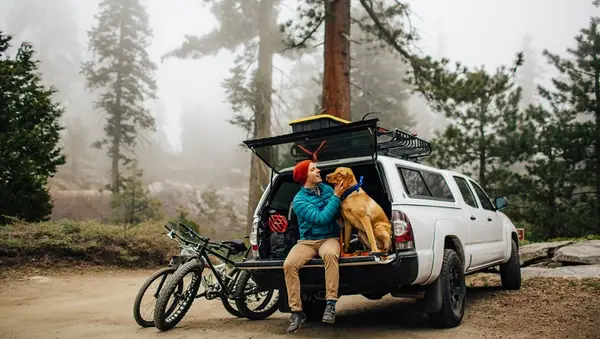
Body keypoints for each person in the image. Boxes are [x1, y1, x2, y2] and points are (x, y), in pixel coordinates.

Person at [283, 159, 345, 333]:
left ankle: (330, 304)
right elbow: (321, 218)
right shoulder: (299, 201)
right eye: (313, 169)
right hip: (308, 241)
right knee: (289, 264)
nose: (318, 170)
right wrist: (336, 197)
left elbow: (339, 211)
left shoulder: (326, 188)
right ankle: (296, 312)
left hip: (329, 238)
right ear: (305, 177)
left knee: (330, 255)